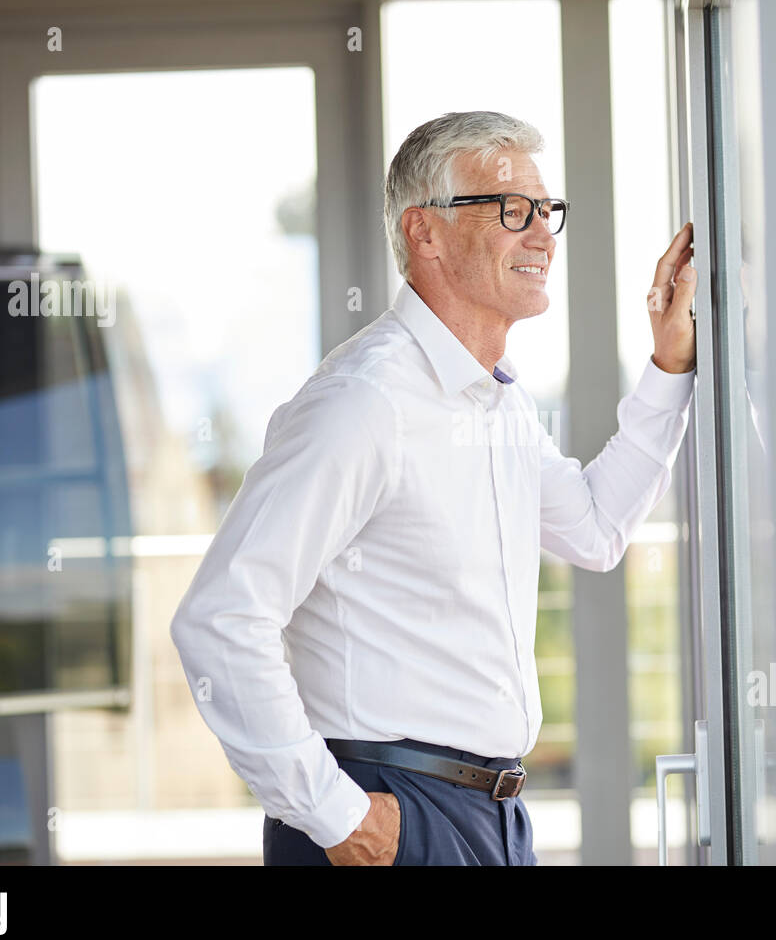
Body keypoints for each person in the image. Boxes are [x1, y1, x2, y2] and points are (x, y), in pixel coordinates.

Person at [170, 110, 697, 865]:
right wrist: (336, 814)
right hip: (391, 812)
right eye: (513, 210)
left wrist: (669, 367)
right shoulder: (365, 401)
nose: (543, 235)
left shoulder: (496, 402)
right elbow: (220, 617)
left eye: (547, 212)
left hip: (490, 817)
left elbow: (593, 528)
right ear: (425, 233)